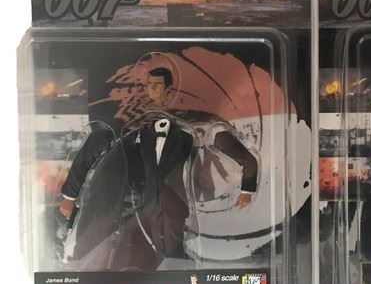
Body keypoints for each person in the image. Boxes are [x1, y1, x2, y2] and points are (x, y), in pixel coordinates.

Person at [57, 66, 259, 269]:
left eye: (157, 85)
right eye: (149, 85)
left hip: (169, 201)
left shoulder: (188, 122)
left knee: (167, 254)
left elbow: (235, 151)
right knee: (98, 251)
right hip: (123, 199)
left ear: (169, 90)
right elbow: (96, 144)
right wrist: (70, 196)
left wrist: (247, 188)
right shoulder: (128, 120)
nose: (151, 89)